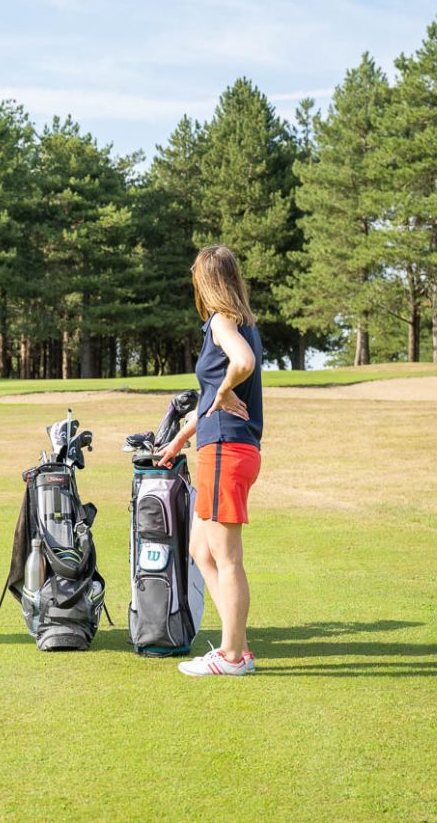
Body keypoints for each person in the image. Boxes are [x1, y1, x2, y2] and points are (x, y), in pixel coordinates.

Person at [157, 246, 263, 677]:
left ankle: (233, 657)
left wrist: (222, 394)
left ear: (207, 281)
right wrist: (183, 434)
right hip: (225, 448)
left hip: (227, 450)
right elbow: (215, 388)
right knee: (201, 550)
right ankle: (235, 644)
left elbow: (242, 364)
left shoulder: (222, 321)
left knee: (226, 556)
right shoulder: (240, 323)